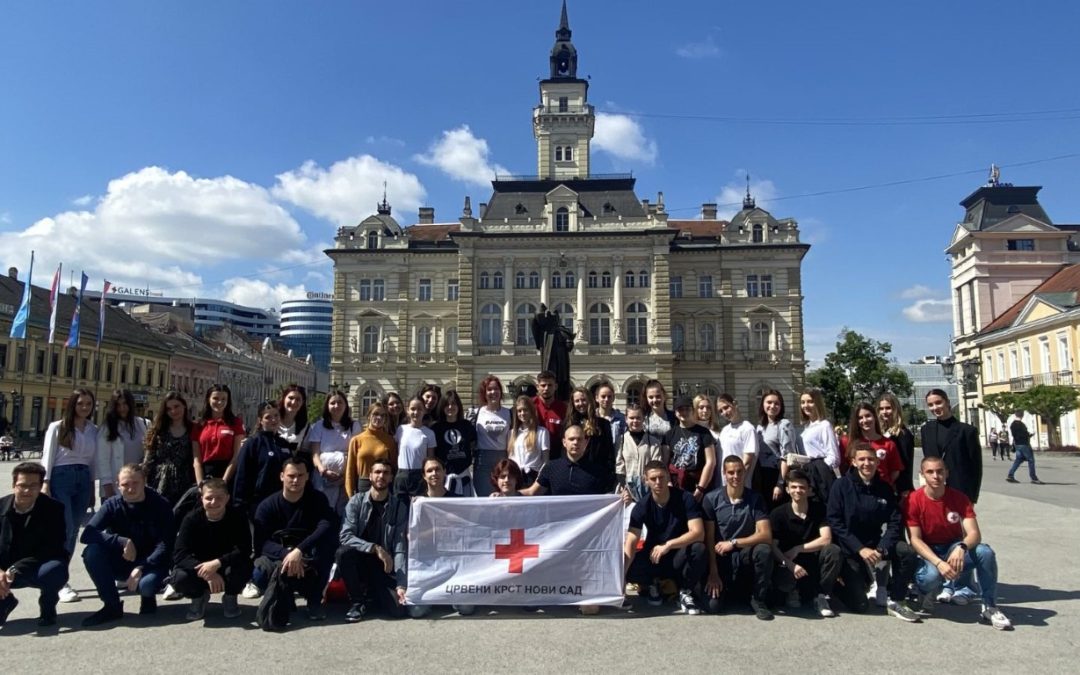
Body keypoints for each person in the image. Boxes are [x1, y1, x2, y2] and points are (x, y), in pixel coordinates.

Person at [905, 457, 1012, 630]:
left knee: (985, 552)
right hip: (929, 552)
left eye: (940, 471)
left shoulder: (959, 498)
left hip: (953, 549)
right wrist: (939, 563)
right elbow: (915, 540)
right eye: (930, 472)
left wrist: (962, 547)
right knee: (930, 577)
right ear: (922, 475)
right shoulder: (913, 500)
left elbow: (974, 534)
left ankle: (990, 606)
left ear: (947, 473)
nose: (936, 476)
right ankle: (925, 592)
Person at [826, 443, 920, 622]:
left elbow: (895, 522)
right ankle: (838, 586)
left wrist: (882, 548)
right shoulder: (841, 486)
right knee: (860, 605)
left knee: (906, 551)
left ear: (877, 462)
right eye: (861, 459)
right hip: (851, 549)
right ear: (853, 462)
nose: (866, 463)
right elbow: (835, 522)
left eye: (871, 459)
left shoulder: (884, 488)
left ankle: (897, 599)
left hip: (876, 545)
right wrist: (859, 549)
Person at [80, 464, 175, 627]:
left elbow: (165, 545)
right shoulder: (112, 504)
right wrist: (122, 541)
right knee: (91, 552)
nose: (130, 489)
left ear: (144, 482)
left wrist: (142, 567)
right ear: (118, 485)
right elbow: (87, 534)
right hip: (123, 559)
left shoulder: (160, 504)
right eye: (125, 484)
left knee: (146, 586)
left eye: (135, 483)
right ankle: (112, 606)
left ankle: (148, 597)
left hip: (151, 563)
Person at [251, 457, 337, 623]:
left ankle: (314, 601)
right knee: (259, 574)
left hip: (307, 556)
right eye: (291, 475)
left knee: (327, 549)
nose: (296, 480)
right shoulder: (267, 506)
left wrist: (299, 551)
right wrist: (287, 554)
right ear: (282, 476)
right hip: (279, 558)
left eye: (300, 475)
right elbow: (261, 543)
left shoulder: (318, 500)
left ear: (307, 477)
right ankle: (284, 596)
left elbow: (325, 526)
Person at [624, 461, 706, 615]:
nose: (658, 482)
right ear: (645, 480)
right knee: (626, 562)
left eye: (661, 477)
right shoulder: (642, 506)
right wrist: (621, 576)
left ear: (668, 476)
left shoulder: (685, 498)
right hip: (654, 557)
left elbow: (698, 533)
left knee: (698, 548)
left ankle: (685, 591)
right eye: (653, 478)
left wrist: (668, 545)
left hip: (677, 555)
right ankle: (652, 585)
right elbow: (632, 540)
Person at [335, 460, 409, 622]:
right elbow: (345, 536)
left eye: (385, 473)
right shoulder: (356, 501)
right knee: (343, 552)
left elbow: (400, 546)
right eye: (377, 472)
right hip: (359, 561)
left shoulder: (398, 507)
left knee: (398, 611)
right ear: (370, 476)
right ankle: (357, 602)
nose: (381, 476)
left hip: (383, 567)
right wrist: (375, 548)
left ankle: (373, 594)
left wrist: (401, 583)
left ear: (391, 478)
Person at [42, 388, 97, 603]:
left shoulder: (93, 429)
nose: (84, 407)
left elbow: (92, 461)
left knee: (73, 530)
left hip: (83, 479)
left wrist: (92, 487)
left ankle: (60, 576)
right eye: (80, 403)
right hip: (61, 477)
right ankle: (59, 581)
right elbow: (47, 456)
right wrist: (45, 484)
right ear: (72, 404)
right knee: (63, 529)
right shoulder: (58, 427)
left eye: (88, 404)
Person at [701, 456, 773, 619]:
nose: (736, 476)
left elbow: (766, 535)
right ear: (724, 474)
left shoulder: (756, 499)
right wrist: (713, 573)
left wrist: (734, 543)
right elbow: (709, 539)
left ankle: (758, 599)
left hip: (744, 555)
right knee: (713, 607)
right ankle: (729, 592)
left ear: (745, 472)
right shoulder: (711, 499)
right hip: (720, 559)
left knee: (764, 550)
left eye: (739, 472)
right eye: (731, 472)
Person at [171, 477, 252, 621]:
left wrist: (217, 563)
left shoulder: (237, 517)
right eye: (209, 498)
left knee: (244, 566)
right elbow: (179, 554)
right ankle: (198, 597)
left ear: (227, 498)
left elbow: (244, 549)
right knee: (180, 577)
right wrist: (207, 572)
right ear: (201, 498)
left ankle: (230, 597)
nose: (214, 502)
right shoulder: (191, 519)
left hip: (225, 566)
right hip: (199, 568)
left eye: (219, 498)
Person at [0, 462, 68, 628]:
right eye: (22, 485)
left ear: (40, 486)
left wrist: (15, 569)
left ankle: (47, 609)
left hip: (37, 564)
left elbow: (53, 547)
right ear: (13, 485)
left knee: (55, 570)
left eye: (33, 486)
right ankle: (5, 601)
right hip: (3, 565)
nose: (27, 491)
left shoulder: (54, 509)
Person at [768, 469, 840, 617]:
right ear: (787, 490)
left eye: (802, 487)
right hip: (788, 564)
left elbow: (826, 539)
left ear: (809, 490)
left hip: (812, 560)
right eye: (794, 487)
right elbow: (773, 546)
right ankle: (793, 591)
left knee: (833, 550)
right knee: (782, 586)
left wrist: (798, 549)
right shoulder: (778, 514)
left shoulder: (819, 509)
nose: (798, 490)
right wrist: (790, 564)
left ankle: (821, 596)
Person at [233, 401, 294, 519]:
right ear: (260, 420)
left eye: (276, 416)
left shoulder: (284, 444)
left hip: (281, 501)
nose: (273, 420)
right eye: (268, 417)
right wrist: (239, 505)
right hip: (258, 502)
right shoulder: (252, 443)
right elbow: (242, 475)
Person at [921, 389, 983, 504]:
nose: (935, 407)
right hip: (933, 490)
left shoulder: (967, 431)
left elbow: (976, 468)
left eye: (938, 402)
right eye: (930, 405)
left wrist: (972, 498)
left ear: (947, 402)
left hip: (959, 490)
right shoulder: (926, 430)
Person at [523, 425, 614, 497]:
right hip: (558, 519)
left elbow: (610, 498)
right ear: (564, 442)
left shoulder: (598, 471)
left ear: (586, 443)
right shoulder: (551, 467)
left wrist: (623, 498)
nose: (575, 442)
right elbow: (532, 492)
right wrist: (511, 495)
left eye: (579, 439)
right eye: (571, 439)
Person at [309, 389, 361, 516]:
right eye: (332, 403)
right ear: (327, 406)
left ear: (345, 405)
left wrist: (344, 474)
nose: (336, 406)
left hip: (345, 479)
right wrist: (323, 470)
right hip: (323, 478)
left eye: (340, 402)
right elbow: (315, 453)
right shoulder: (319, 426)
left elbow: (356, 453)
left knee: (342, 512)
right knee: (323, 511)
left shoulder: (354, 426)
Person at [143, 392, 199, 507]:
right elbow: (149, 457)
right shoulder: (158, 429)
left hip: (185, 481)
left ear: (184, 405)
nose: (173, 411)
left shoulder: (193, 429)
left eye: (176, 406)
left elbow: (197, 457)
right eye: (169, 409)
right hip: (159, 481)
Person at [96, 389, 148, 500]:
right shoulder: (107, 428)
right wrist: (107, 486)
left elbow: (146, 451)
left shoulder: (141, 424)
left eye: (125, 404)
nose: (122, 408)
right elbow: (102, 459)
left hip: (137, 484)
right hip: (116, 486)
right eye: (118, 405)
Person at [664, 396, 717, 503]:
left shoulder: (704, 433)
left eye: (687, 409)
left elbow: (711, 462)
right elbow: (665, 462)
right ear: (675, 412)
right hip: (676, 484)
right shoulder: (669, 435)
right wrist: (669, 484)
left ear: (693, 410)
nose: (684, 412)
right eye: (680, 409)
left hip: (697, 483)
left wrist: (701, 489)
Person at [840, 402, 903, 489]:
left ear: (874, 417)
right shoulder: (848, 442)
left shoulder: (888, 444)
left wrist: (885, 484)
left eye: (868, 416)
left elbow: (895, 471)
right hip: (856, 491)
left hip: (882, 491)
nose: (865, 420)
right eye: (860, 418)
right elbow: (843, 467)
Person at [616, 403, 668, 504]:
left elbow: (656, 465)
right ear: (626, 419)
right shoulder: (621, 441)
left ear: (643, 419)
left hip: (648, 487)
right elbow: (619, 467)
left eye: (638, 418)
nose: (635, 421)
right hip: (627, 490)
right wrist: (625, 488)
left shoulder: (653, 442)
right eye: (632, 418)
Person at [194, 384, 245, 484]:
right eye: (215, 398)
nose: (220, 402)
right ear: (209, 399)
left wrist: (224, 481)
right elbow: (196, 460)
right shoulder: (199, 425)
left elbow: (236, 456)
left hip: (227, 471)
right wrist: (200, 483)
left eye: (223, 399)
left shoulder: (235, 423)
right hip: (206, 471)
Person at [797, 388, 841, 504]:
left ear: (817, 403)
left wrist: (820, 469)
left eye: (810, 401)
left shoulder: (824, 425)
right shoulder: (807, 426)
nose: (806, 405)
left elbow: (834, 456)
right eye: (803, 402)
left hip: (820, 473)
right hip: (808, 471)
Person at [430, 390, 477, 497]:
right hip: (444, 479)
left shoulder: (466, 426)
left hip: (464, 477)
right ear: (442, 407)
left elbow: (473, 446)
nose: (450, 407)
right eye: (447, 404)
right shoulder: (436, 428)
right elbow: (432, 454)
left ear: (458, 406)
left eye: (453, 404)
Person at [344, 402, 395, 499]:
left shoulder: (390, 440)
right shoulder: (357, 440)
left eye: (383, 415)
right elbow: (350, 470)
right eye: (375, 414)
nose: (379, 418)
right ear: (369, 416)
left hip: (383, 485)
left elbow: (394, 467)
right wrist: (350, 493)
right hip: (363, 485)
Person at [758, 389, 797, 510]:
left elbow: (787, 456)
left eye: (776, 403)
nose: (772, 406)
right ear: (763, 404)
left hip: (776, 474)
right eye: (769, 402)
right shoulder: (760, 427)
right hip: (761, 476)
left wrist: (780, 483)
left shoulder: (784, 425)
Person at [473, 375, 511, 497]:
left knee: (503, 498)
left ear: (501, 391)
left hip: (502, 461)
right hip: (482, 462)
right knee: (484, 498)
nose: (493, 392)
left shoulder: (509, 413)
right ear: (484, 393)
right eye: (489, 389)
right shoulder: (476, 413)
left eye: (496, 389)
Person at [877, 392, 916, 498]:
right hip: (883, 486)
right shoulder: (880, 433)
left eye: (888, 408)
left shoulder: (903, 434)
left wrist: (903, 488)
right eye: (881, 408)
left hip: (900, 489)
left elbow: (905, 464)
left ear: (896, 409)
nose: (884, 412)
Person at [394, 397, 436, 496]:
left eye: (419, 409)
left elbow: (430, 459)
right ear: (407, 410)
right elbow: (395, 451)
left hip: (419, 477)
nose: (416, 412)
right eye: (413, 409)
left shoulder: (429, 433)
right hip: (401, 475)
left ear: (424, 411)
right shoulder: (401, 429)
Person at [569, 387, 615, 477]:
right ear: (573, 403)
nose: (581, 403)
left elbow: (609, 453)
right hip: (574, 472)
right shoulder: (568, 424)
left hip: (597, 474)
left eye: (583, 400)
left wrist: (609, 475)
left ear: (590, 400)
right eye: (577, 401)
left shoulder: (603, 424)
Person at [716, 394, 758, 486]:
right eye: (720, 411)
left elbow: (747, 462)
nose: (724, 412)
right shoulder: (724, 430)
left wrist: (736, 483)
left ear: (734, 404)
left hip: (739, 486)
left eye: (726, 407)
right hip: (723, 485)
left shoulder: (747, 428)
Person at [507, 396, 549, 487]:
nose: (522, 413)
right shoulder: (512, 433)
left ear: (531, 411)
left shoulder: (542, 432)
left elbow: (545, 461)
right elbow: (510, 458)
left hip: (534, 476)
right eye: (519, 411)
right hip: (515, 476)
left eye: (525, 410)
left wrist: (539, 480)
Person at [277, 384, 312, 471]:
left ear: (302, 402)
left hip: (291, 473)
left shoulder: (305, 427)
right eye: (291, 398)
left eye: (298, 399)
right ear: (284, 398)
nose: (293, 402)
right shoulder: (273, 421)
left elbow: (306, 454)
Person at [533, 371, 567, 456]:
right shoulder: (530, 405)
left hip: (556, 454)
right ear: (537, 387)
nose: (546, 388)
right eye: (543, 385)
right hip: (533, 453)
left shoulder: (564, 408)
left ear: (556, 386)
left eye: (550, 385)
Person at [1006, 411, 1043, 484]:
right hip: (1024, 444)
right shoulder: (1021, 425)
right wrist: (1030, 435)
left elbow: (1015, 435)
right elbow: (1023, 435)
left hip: (1017, 444)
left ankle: (1010, 475)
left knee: (1019, 459)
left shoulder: (1012, 425)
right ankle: (1033, 478)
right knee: (1031, 460)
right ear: (1022, 415)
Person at [594, 381, 627, 447]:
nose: (606, 399)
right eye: (603, 396)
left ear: (613, 398)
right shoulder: (592, 418)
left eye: (609, 396)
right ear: (597, 398)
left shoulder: (622, 419)